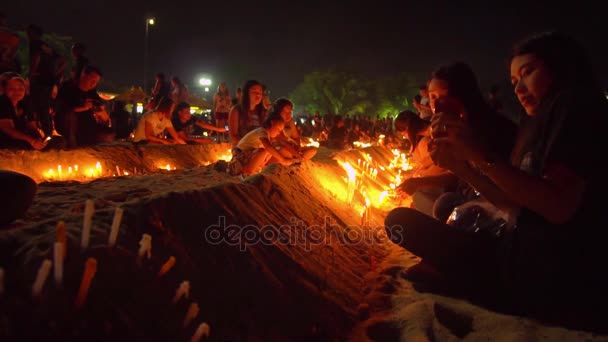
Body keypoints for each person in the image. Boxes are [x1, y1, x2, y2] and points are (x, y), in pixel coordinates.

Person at [385, 32, 608, 322]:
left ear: (561, 65)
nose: (519, 88)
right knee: (419, 216)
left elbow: (557, 206)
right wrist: (461, 167)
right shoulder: (536, 123)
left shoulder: (572, 106)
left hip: (546, 277)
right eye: (514, 82)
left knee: (406, 220)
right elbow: (514, 206)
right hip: (518, 248)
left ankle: (459, 276)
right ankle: (452, 270)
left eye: (528, 72)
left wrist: (477, 156)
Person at [54, 65, 113, 148]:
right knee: (70, 117)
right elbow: (62, 109)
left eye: (96, 82)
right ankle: (72, 147)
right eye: (92, 80)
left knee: (109, 133)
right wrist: (83, 108)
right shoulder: (68, 88)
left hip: (88, 126)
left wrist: (101, 112)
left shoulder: (92, 93)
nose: (93, 84)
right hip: (70, 126)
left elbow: (103, 114)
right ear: (83, 75)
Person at [228, 111, 299, 176]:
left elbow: (274, 148)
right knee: (266, 150)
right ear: (272, 123)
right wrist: (283, 160)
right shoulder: (262, 131)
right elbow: (268, 147)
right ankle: (248, 171)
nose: (279, 133)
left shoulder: (266, 136)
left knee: (271, 151)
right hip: (239, 159)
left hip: (246, 157)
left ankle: (255, 169)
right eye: (278, 129)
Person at [27, 24, 66, 136]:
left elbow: (36, 57)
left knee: (36, 104)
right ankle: (47, 132)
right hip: (49, 80)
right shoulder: (47, 47)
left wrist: (32, 73)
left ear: (33, 33)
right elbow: (64, 61)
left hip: (39, 79)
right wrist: (55, 73)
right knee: (44, 105)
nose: (28, 34)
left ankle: (45, 133)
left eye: (29, 32)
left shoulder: (35, 44)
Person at [0, 76, 46, 149]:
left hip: (22, 139)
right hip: (5, 140)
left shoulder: (24, 105)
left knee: (57, 142)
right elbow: (8, 130)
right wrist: (32, 141)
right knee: (24, 145)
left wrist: (38, 138)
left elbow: (31, 126)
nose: (17, 91)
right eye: (12, 89)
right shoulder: (2, 103)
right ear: (4, 90)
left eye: (20, 89)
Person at [228, 80, 267, 146]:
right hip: (242, 148)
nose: (258, 94)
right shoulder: (236, 110)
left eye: (260, 92)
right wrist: (249, 146)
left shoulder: (263, 112)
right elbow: (233, 136)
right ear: (246, 93)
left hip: (259, 147)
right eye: (254, 91)